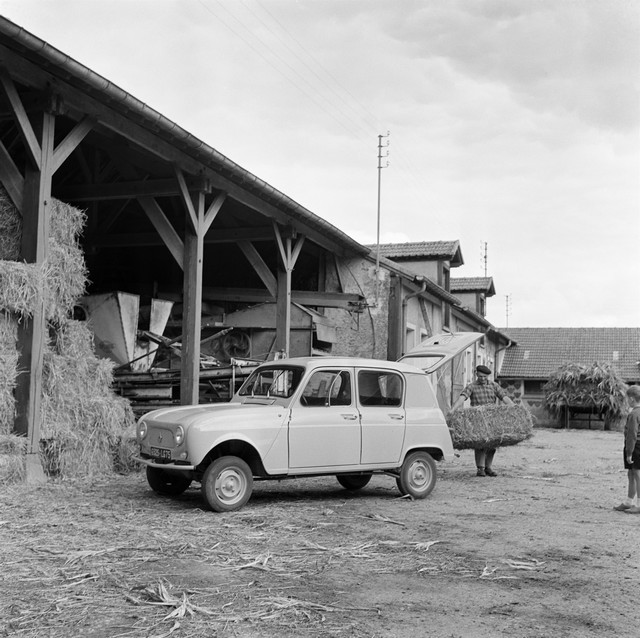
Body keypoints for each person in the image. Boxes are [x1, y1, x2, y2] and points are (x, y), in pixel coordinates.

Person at [451, 364, 514, 477]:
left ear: (488, 376)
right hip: (477, 419)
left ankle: (488, 467)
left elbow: (504, 397)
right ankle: (480, 468)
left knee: (492, 444)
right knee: (480, 444)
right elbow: (463, 397)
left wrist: (513, 406)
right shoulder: (472, 386)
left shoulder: (494, 385)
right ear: (476, 374)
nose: (482, 379)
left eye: (485, 377)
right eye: (480, 376)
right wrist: (453, 409)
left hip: (492, 419)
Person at [614, 385, 640, 514]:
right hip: (636, 445)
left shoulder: (634, 413)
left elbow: (632, 434)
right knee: (631, 474)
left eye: (627, 399)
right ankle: (628, 502)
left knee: (637, 474)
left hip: (636, 447)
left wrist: (629, 452)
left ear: (632, 399)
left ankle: (639, 505)